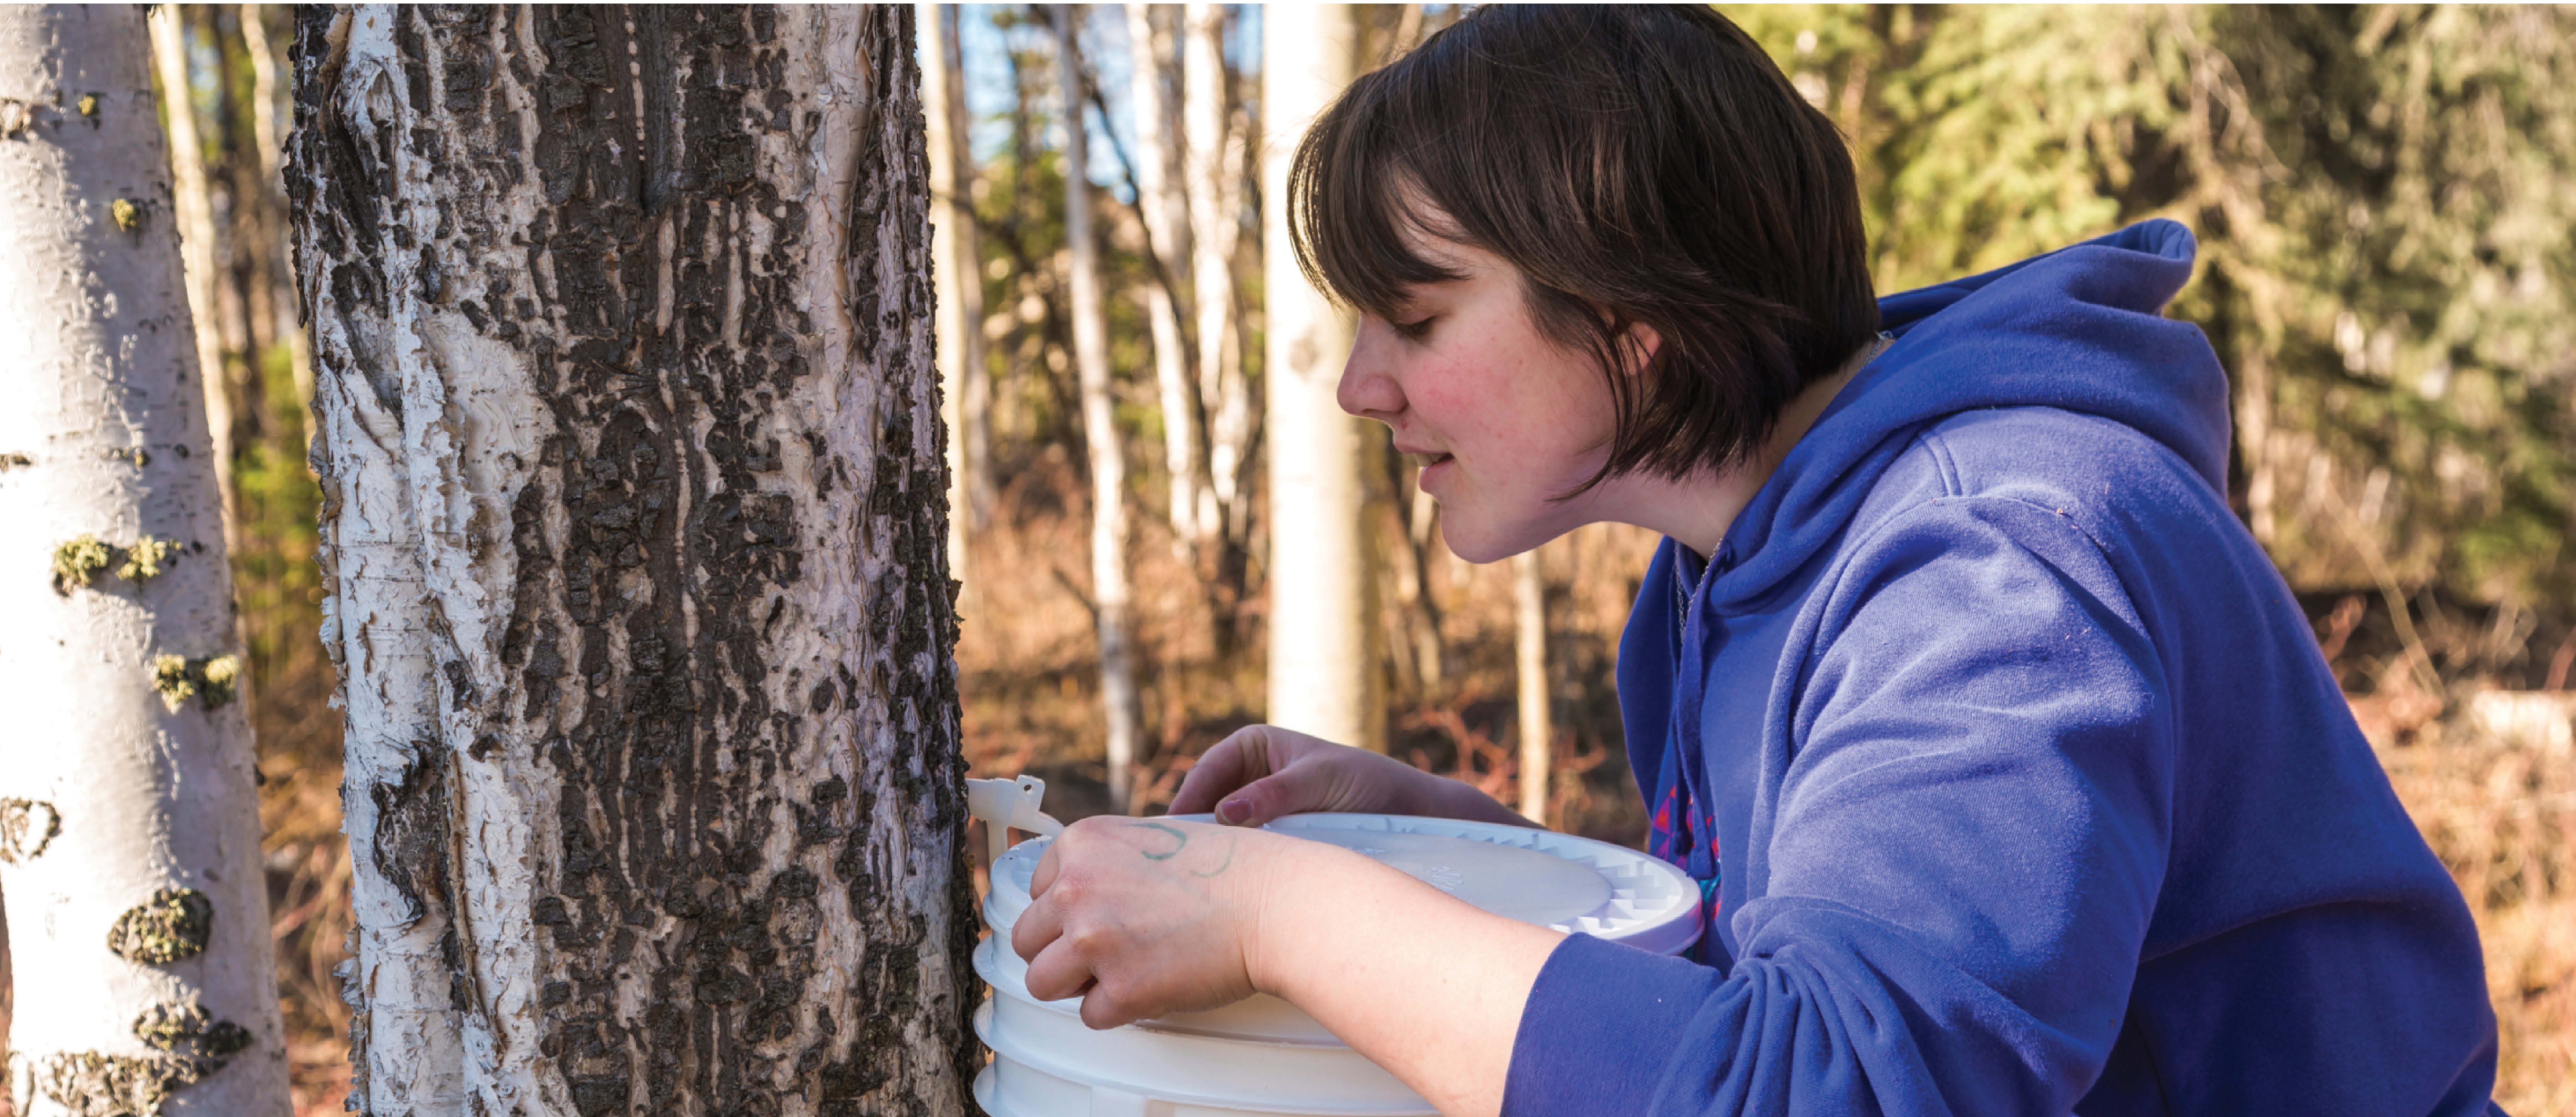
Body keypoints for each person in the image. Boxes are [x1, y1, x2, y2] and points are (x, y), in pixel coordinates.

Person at [1007, 7, 2501, 1115]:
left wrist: (1291, 917)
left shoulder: (1990, 553)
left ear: (1630, 310)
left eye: (1415, 316)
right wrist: (1469, 847)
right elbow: (1793, 982)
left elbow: (1835, 1089)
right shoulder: (1720, 580)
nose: (1359, 385)